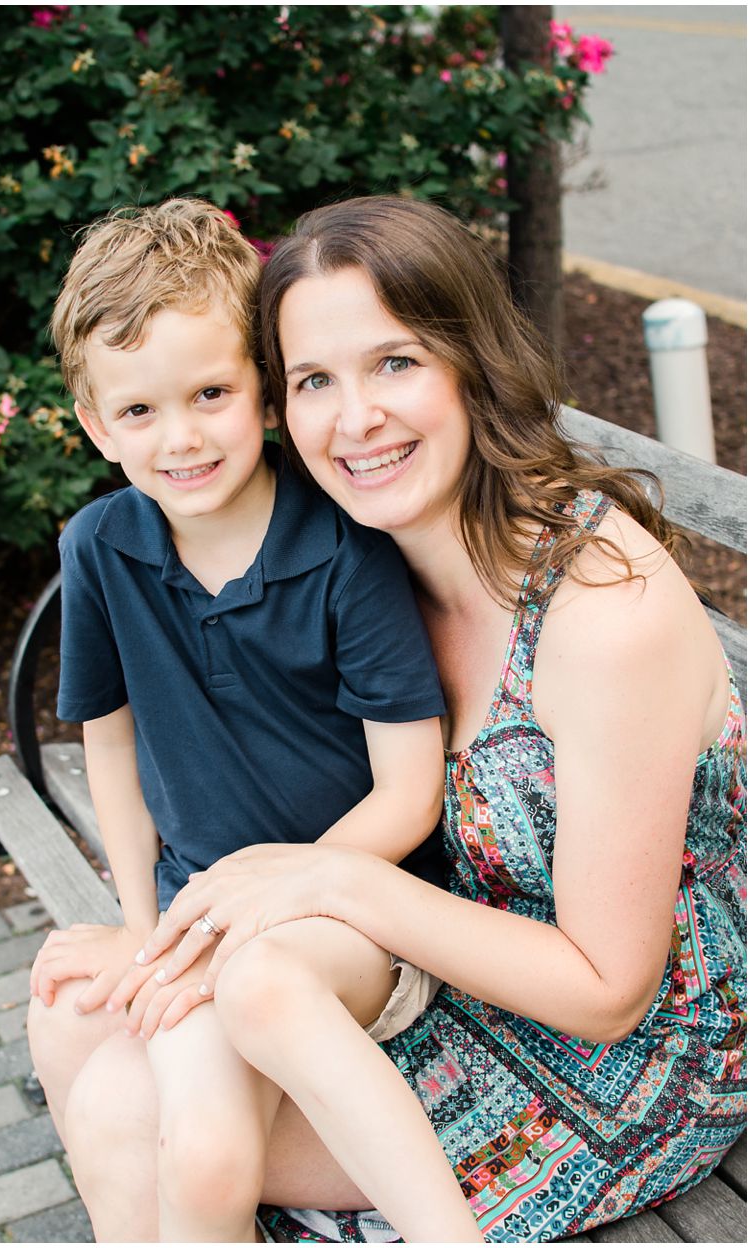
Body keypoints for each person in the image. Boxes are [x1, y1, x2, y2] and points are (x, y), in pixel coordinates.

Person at [71, 195, 744, 1242]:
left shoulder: (601, 613)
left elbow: (610, 991)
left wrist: (325, 878)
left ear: (468, 363)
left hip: (631, 1060)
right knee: (99, 1055)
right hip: (450, 996)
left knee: (159, 1106)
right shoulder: (372, 568)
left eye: (394, 364)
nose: (354, 419)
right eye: (312, 382)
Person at [26, 197, 484, 1241]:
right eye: (137, 412)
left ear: (263, 395)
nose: (180, 438)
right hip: (201, 911)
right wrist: (144, 931)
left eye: (210, 394)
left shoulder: (340, 549)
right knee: (96, 1085)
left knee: (197, 1143)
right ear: (95, 425)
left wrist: (245, 912)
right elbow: (109, 739)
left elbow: (407, 794)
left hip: (353, 921)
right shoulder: (101, 546)